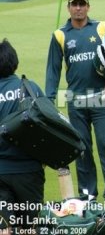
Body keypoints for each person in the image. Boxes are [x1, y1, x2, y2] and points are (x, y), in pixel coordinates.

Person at [45, 0, 105, 215]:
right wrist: (49, 101)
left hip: (101, 98)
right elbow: (53, 71)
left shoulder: (102, 28)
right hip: (76, 103)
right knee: (82, 151)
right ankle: (88, 195)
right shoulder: (60, 35)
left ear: (88, 7)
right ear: (69, 8)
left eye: (82, 4)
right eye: (74, 4)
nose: (78, 8)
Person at [0, 38, 45, 234]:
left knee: (3, 227)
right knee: (29, 228)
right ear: (15, 62)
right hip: (29, 171)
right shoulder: (30, 87)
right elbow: (48, 125)